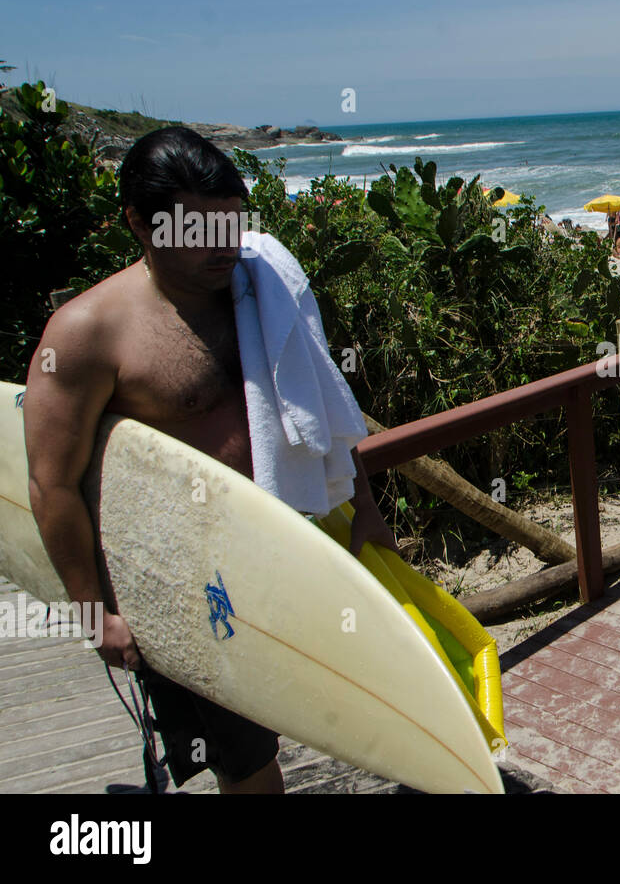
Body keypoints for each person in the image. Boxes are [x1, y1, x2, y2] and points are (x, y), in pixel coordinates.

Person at [22, 127, 398, 795]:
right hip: (185, 584)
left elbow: (317, 406)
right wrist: (92, 613)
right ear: (139, 222)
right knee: (246, 760)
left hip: (280, 551)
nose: (220, 248)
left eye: (230, 226)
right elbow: (51, 485)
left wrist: (363, 508)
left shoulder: (260, 289)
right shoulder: (88, 333)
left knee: (300, 716)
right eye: (194, 232)